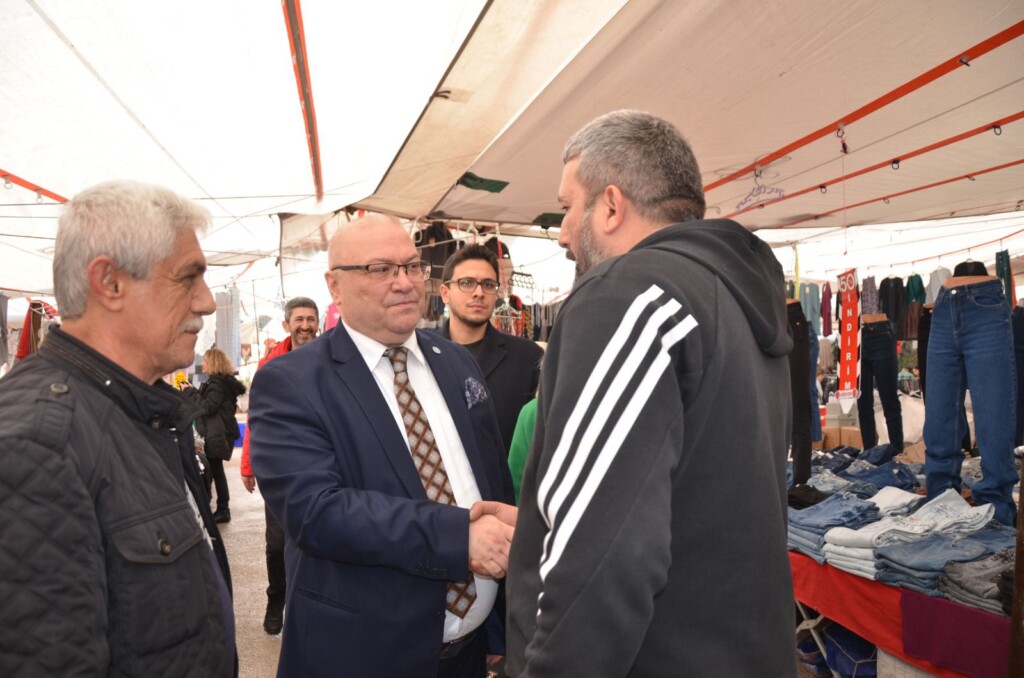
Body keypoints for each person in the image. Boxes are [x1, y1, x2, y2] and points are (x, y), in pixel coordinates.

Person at [505, 110, 796, 677]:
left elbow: (604, 553)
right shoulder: (733, 297)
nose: (562, 232)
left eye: (568, 207)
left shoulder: (626, 293)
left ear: (611, 205)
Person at [248, 215, 517, 677]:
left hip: (468, 655)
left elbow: (488, 481)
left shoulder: (455, 362)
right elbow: (316, 512)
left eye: (412, 266)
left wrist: (495, 628)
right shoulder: (291, 382)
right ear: (335, 285)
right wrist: (458, 537)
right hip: (362, 657)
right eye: (381, 269)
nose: (405, 283)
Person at [0, 180, 235, 675]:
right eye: (188, 278)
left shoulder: (147, 412)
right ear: (109, 283)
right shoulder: (37, 445)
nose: (207, 302)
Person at [239, 296, 320, 635]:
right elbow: (255, 418)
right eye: (299, 319)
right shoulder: (269, 365)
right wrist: (248, 464)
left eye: (310, 319)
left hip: (321, 465)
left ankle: (310, 606)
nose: (305, 326)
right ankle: (276, 599)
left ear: (318, 323)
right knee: (276, 544)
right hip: (280, 468)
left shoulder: (331, 359)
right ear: (287, 324)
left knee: (317, 541)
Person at [438, 244, 544, 456]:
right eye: (467, 283)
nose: (479, 293)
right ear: (445, 293)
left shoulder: (528, 358)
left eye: (488, 284)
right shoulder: (421, 356)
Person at [195, 347, 246, 524]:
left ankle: (222, 510)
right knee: (216, 470)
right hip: (219, 431)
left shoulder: (216, 385)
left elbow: (207, 407)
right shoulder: (221, 383)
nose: (203, 364)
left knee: (215, 471)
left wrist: (190, 393)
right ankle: (220, 508)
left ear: (213, 362)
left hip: (216, 433)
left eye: (205, 361)